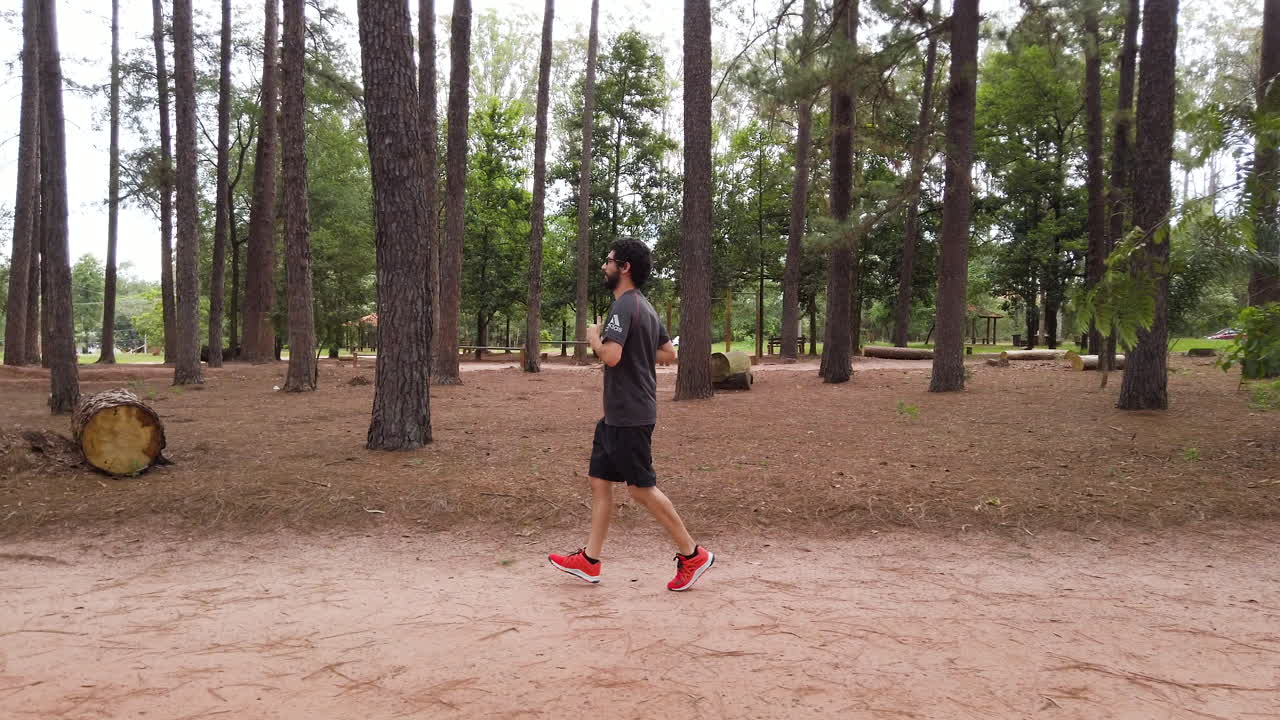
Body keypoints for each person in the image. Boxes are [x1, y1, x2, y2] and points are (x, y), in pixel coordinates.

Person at [548, 239, 714, 591]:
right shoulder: (645, 308)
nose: (604, 267)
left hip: (630, 414)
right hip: (617, 415)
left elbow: (610, 356)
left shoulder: (624, 306)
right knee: (599, 481)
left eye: (608, 262)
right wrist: (637, 353)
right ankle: (590, 561)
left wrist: (594, 337)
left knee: (640, 489)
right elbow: (669, 353)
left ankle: (692, 554)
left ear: (624, 268)